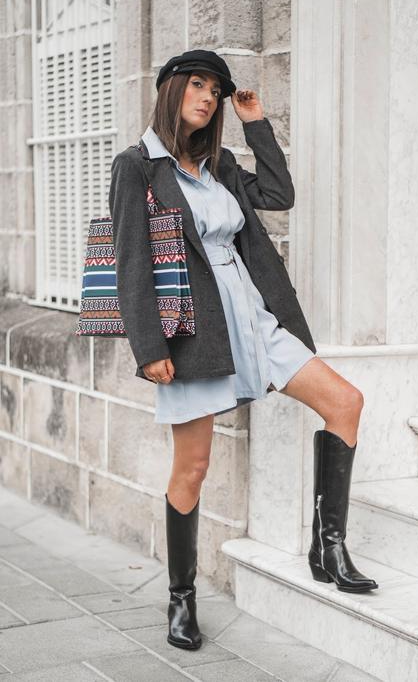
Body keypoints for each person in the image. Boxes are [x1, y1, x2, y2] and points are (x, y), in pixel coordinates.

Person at [109, 49, 378, 652]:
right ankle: (181, 599)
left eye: (216, 90)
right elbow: (130, 262)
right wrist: (148, 345)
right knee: (194, 467)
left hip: (256, 318)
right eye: (197, 84)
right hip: (194, 334)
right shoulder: (138, 167)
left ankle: (326, 547)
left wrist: (257, 122)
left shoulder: (221, 164)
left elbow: (278, 195)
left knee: (345, 403)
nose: (208, 96)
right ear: (171, 89)